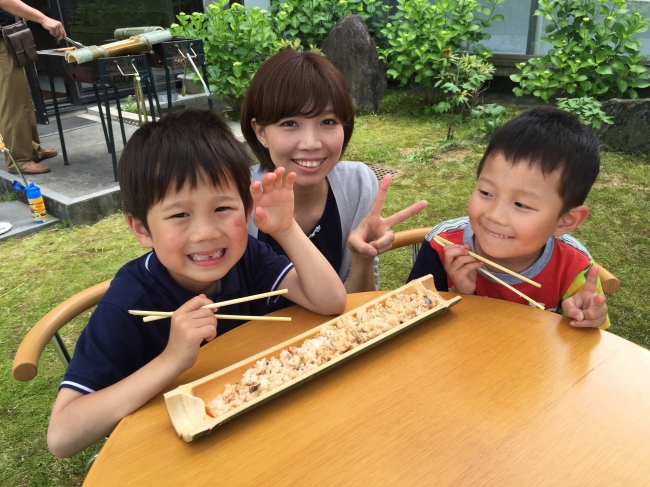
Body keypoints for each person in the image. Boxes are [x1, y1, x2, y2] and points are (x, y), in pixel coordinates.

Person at [46, 109, 347, 458]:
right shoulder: (127, 303)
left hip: (257, 429)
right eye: (179, 215)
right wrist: (171, 360)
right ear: (142, 229)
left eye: (222, 209)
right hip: (175, 452)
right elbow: (62, 436)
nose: (206, 233)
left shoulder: (247, 254)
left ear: (247, 208)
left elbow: (331, 301)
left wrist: (285, 229)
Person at [241, 50, 427, 293]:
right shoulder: (236, 193)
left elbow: (357, 307)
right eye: (290, 123)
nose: (311, 143)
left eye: (328, 121)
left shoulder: (358, 184)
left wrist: (362, 257)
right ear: (261, 132)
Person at [408, 106, 609, 329]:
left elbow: (587, 347)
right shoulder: (441, 246)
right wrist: (457, 294)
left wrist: (587, 316)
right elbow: (409, 322)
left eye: (521, 204)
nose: (495, 215)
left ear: (565, 220)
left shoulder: (575, 267)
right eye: (486, 192)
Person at [0, 0, 64, 174]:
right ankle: (19, 161)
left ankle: (31, 150)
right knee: (12, 102)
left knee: (22, 96)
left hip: (8, 38)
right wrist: (43, 19)